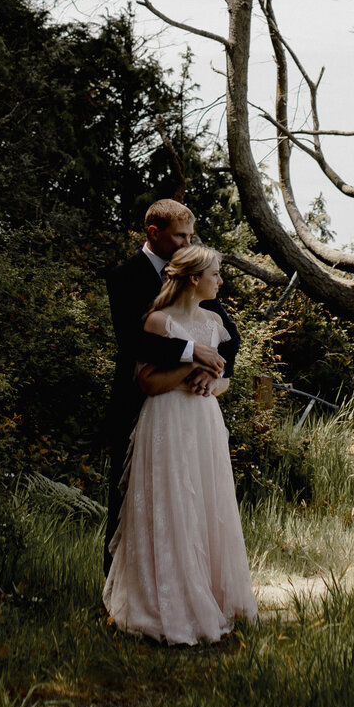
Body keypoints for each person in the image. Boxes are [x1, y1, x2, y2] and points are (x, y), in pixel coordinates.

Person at [102, 243, 256, 644]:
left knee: (205, 503)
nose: (220, 281)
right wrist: (191, 367)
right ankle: (164, 601)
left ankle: (209, 594)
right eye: (215, 274)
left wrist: (213, 380)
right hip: (166, 421)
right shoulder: (157, 321)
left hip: (204, 421)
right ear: (193, 279)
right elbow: (148, 381)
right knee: (171, 504)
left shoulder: (215, 322)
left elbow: (224, 378)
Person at [101, 200, 237, 569]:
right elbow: (133, 342)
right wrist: (193, 352)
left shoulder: (194, 270)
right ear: (154, 233)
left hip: (190, 402)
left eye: (191, 235)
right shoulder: (125, 276)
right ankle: (122, 581)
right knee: (129, 493)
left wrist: (216, 372)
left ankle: (187, 573)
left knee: (190, 492)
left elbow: (229, 337)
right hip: (138, 398)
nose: (187, 241)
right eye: (180, 235)